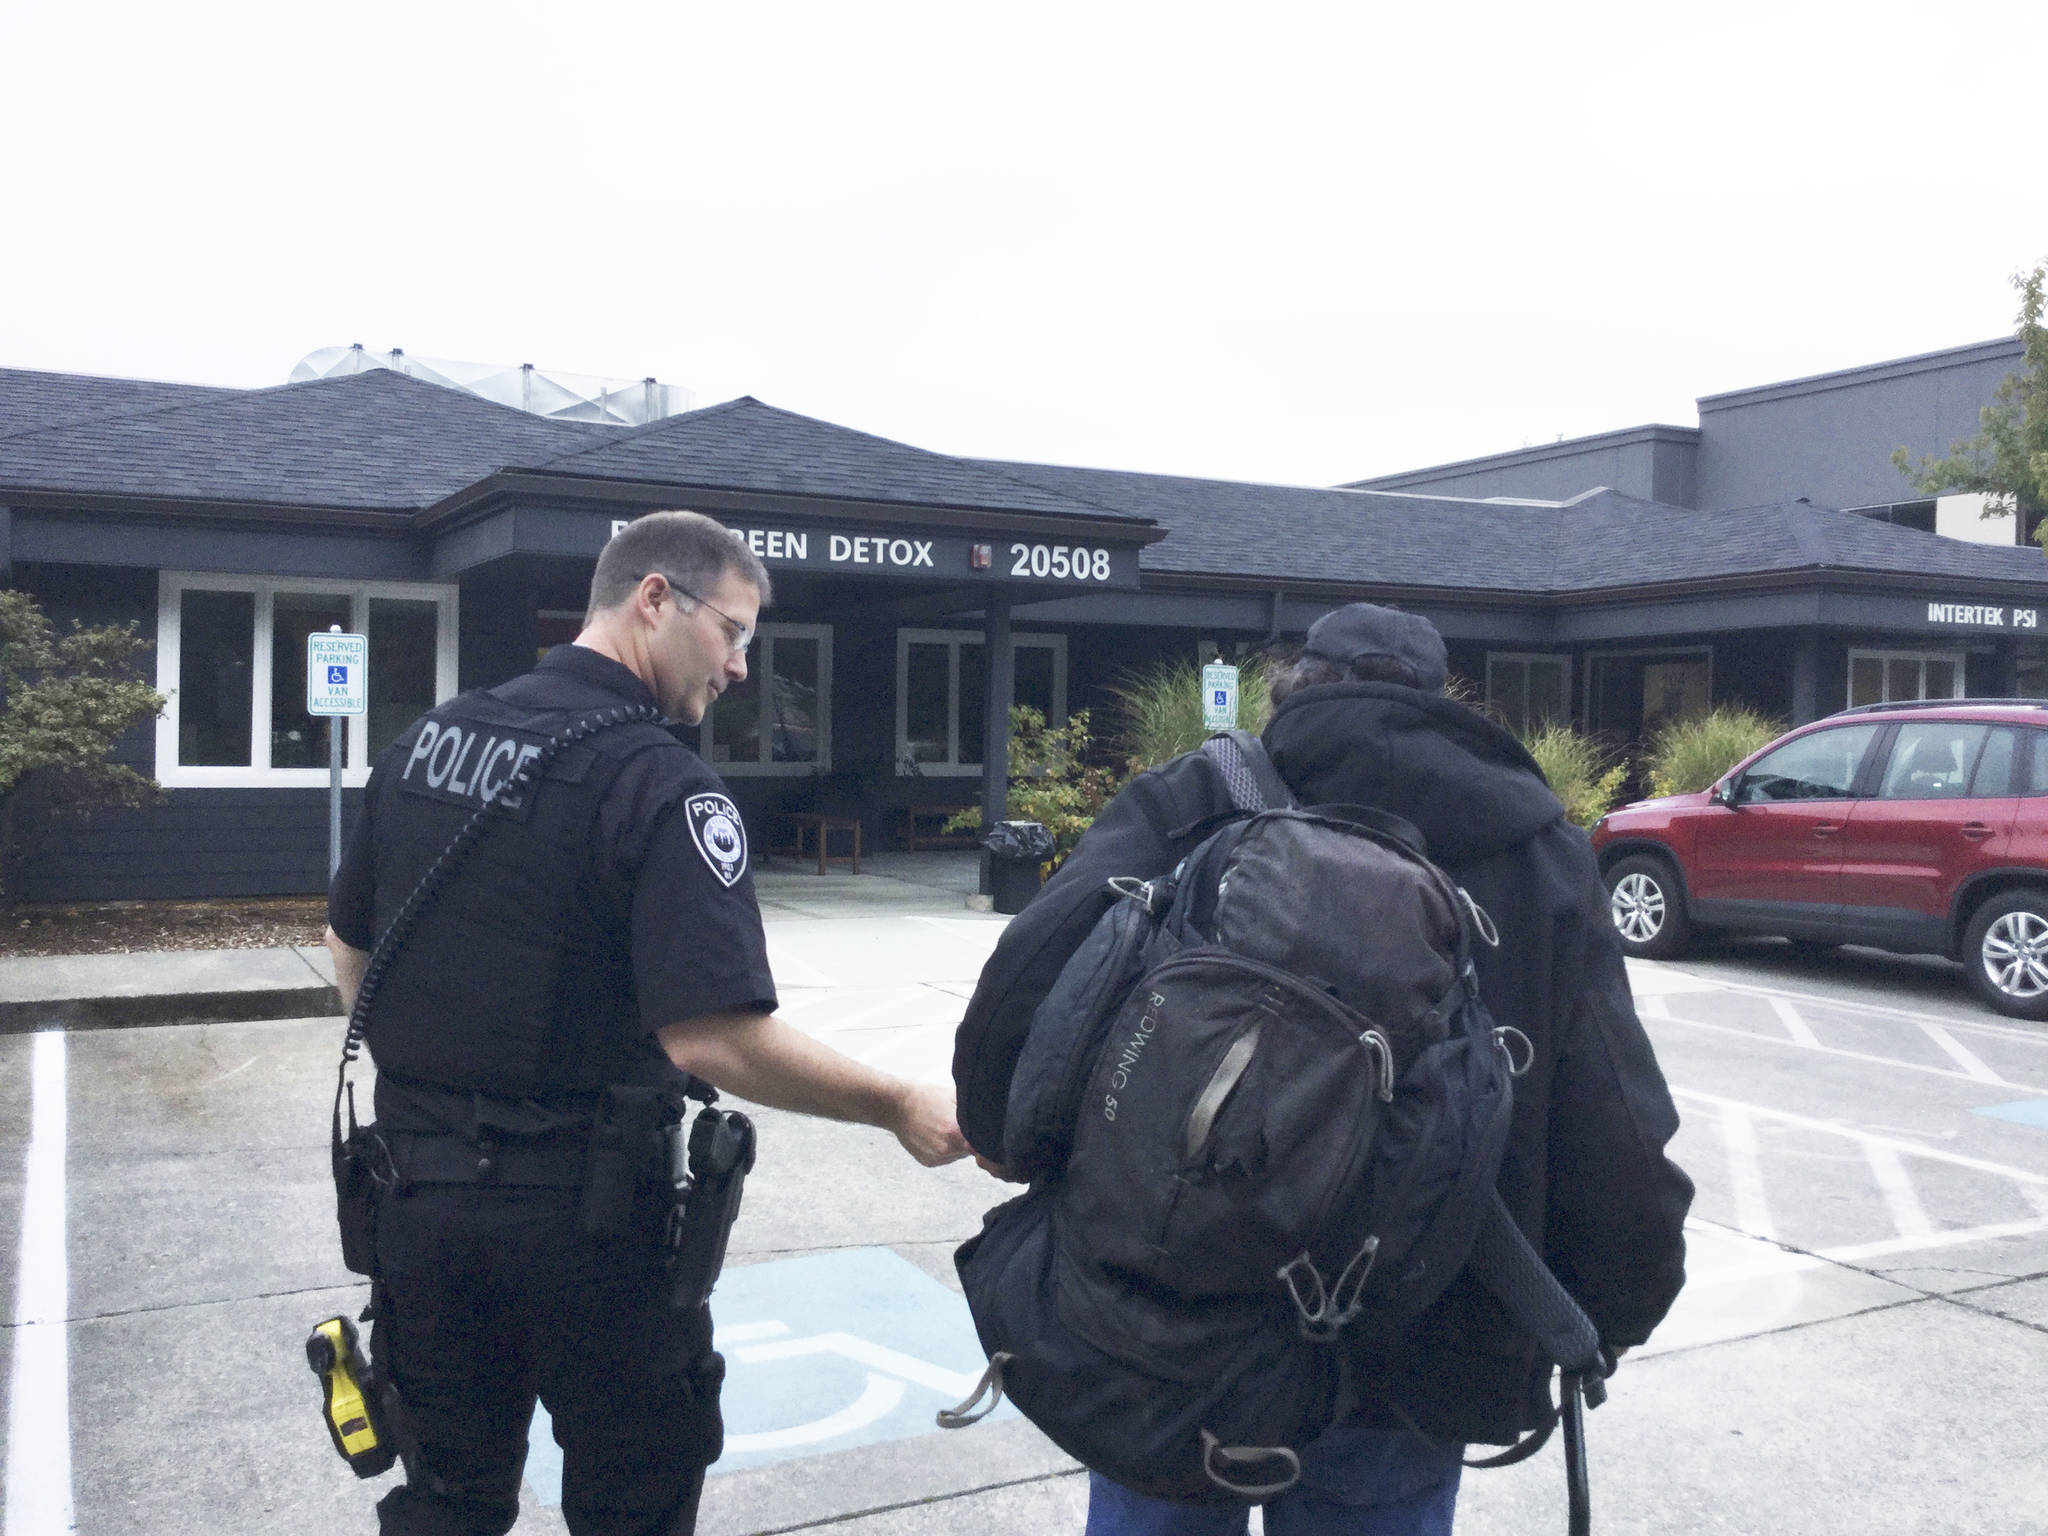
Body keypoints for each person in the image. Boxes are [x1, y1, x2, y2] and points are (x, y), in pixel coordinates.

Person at [953, 603, 1692, 1536]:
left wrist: (1002, 1129)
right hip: (1407, 1344)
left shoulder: (1196, 794)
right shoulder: (1530, 841)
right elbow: (1613, 1112)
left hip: (1162, 1322)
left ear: (1289, 686)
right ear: (1436, 700)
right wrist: (1617, 1302)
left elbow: (1028, 975)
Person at [326, 509, 969, 1536]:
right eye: (733, 633)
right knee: (634, 1503)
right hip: (587, 1227)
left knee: (446, 1501)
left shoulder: (424, 745)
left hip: (415, 1208)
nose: (741, 667)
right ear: (653, 600)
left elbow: (352, 949)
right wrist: (896, 1101)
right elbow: (711, 1039)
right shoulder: (657, 782)